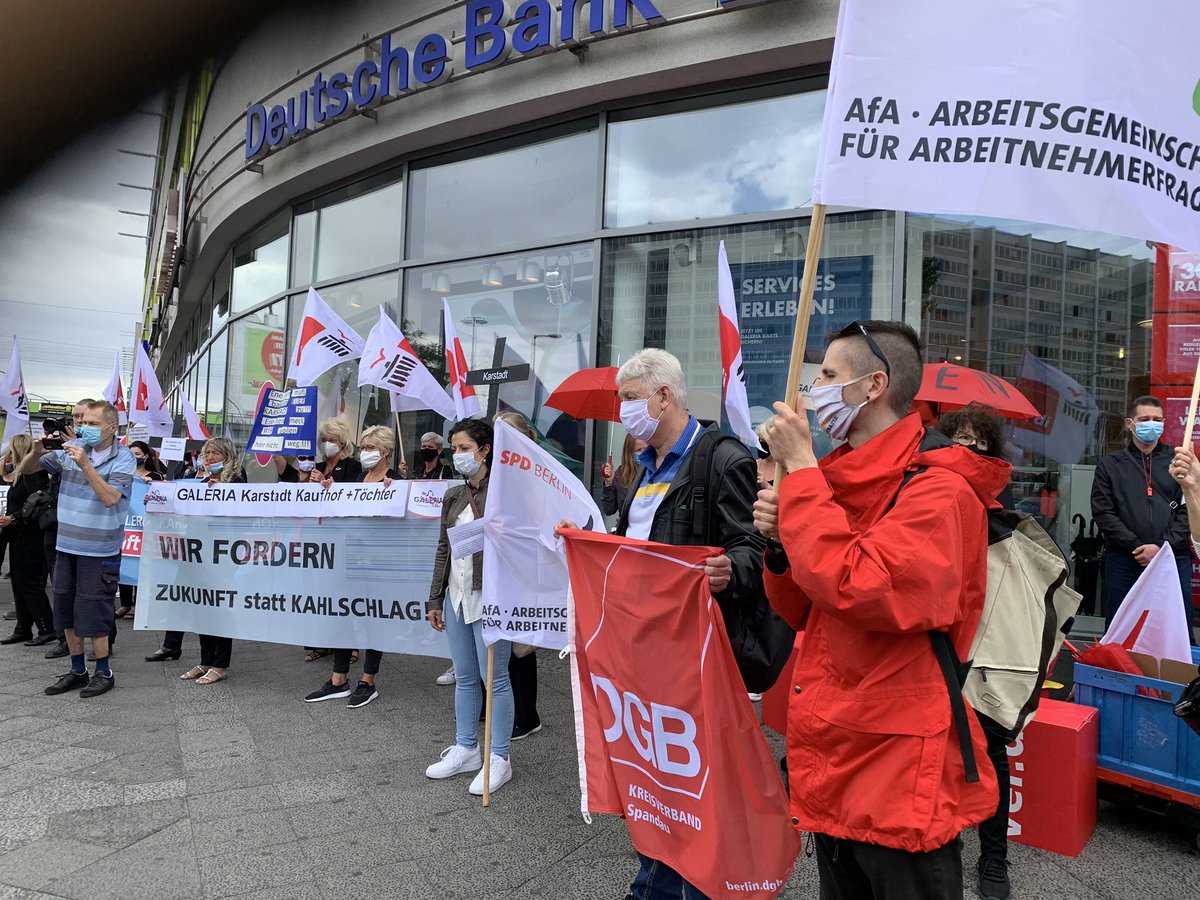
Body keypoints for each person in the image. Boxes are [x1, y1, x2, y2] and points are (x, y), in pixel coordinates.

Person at [753, 321, 1008, 900]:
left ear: (873, 386)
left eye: (827, 375)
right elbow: (805, 608)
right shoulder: (835, 482)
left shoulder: (939, 491)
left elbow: (862, 588)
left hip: (896, 765)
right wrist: (779, 545)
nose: (813, 388)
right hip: (835, 747)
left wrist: (802, 478)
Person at [557, 348, 766, 900]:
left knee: (695, 777)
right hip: (644, 649)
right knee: (652, 770)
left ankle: (698, 882)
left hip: (698, 653)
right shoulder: (642, 466)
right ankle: (653, 878)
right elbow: (635, 550)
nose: (623, 411)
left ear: (663, 396)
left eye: (629, 399)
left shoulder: (723, 459)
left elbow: (756, 548)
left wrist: (730, 570)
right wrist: (587, 543)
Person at [937, 403, 1017, 900]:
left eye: (978, 441)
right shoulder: (921, 494)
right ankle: (946, 839)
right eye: (958, 438)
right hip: (936, 645)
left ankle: (994, 856)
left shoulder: (1001, 517)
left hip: (986, 649)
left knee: (990, 749)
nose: (967, 448)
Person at [15, 400, 135, 698]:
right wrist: (37, 451)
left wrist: (84, 463)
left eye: (94, 424)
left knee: (94, 611)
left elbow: (110, 498)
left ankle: (103, 672)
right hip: (66, 545)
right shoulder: (74, 447)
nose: (86, 429)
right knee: (65, 610)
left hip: (100, 549)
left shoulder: (124, 458)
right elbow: (27, 469)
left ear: (112, 427)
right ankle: (77, 669)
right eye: (84, 423)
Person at [425, 418, 516, 796]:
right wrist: (435, 597)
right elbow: (444, 549)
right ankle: (467, 749)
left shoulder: (505, 492)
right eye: (455, 448)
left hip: (492, 597)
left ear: (485, 450)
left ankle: (500, 757)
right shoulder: (453, 495)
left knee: (494, 678)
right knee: (464, 677)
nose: (457, 455)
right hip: (457, 596)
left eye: (464, 448)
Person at [304, 425, 400, 709]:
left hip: (379, 565)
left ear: (386, 452)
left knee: (374, 620)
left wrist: (395, 494)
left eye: (370, 447)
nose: (365, 452)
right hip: (351, 559)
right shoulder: (359, 477)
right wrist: (332, 492)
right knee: (343, 614)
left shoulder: (394, 480)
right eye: (362, 447)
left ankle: (368, 680)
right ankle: (338, 679)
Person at [1091, 396, 1191, 628]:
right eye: (1144, 419)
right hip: (1125, 559)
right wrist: (1134, 545)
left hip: (1172, 559)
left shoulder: (1179, 461)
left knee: (1175, 628)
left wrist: (1162, 547)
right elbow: (1103, 511)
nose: (1151, 424)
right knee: (1121, 628)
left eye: (1157, 420)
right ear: (1130, 424)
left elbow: (1189, 509)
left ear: (1165, 423)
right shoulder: (1110, 464)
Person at [177, 438, 243, 685]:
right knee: (202, 608)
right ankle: (206, 660)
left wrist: (222, 492)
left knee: (220, 610)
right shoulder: (202, 481)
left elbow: (237, 514)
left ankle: (221, 664)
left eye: (215, 452)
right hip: (199, 554)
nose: (210, 457)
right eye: (207, 452)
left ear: (227, 455)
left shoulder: (236, 480)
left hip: (221, 555)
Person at [494, 411, 542, 740]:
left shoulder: (535, 474)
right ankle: (507, 708)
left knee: (522, 647)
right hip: (500, 567)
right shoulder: (497, 471)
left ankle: (528, 715)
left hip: (525, 568)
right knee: (504, 641)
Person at [303, 419, 361, 661]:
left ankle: (350, 645)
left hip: (342, 538)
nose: (327, 444)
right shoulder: (314, 467)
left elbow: (353, 496)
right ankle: (322, 642)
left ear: (342, 443)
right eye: (324, 440)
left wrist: (330, 486)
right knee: (319, 592)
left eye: (332, 440)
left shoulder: (352, 466)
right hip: (317, 538)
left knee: (343, 593)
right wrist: (306, 483)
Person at [42, 398, 93, 661]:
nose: (79, 424)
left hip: (87, 531)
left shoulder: (98, 452)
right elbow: (31, 466)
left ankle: (103, 640)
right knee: (62, 587)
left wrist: (79, 448)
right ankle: (66, 639)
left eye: (85, 419)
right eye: (76, 418)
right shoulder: (65, 449)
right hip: (59, 525)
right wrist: (41, 445)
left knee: (91, 592)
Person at [0, 434, 56, 645]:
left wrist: (12, 518)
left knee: (30, 583)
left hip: (32, 536)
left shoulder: (33, 474)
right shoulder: (20, 474)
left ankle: (46, 627)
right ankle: (23, 628)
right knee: (18, 582)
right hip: (17, 535)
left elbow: (39, 505)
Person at [115, 440, 166, 619]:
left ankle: (140, 603)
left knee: (141, 563)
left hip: (145, 527)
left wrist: (149, 483)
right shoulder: (123, 473)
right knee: (124, 561)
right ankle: (125, 604)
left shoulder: (156, 476)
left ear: (145, 456)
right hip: (126, 525)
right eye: (130, 454)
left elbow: (162, 495)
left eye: (137, 454)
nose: (133, 457)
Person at [598, 433, 645, 517]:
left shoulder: (659, 472)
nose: (643, 453)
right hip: (626, 527)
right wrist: (609, 483)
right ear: (629, 453)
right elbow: (609, 510)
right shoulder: (620, 475)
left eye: (646, 449)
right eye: (638, 450)